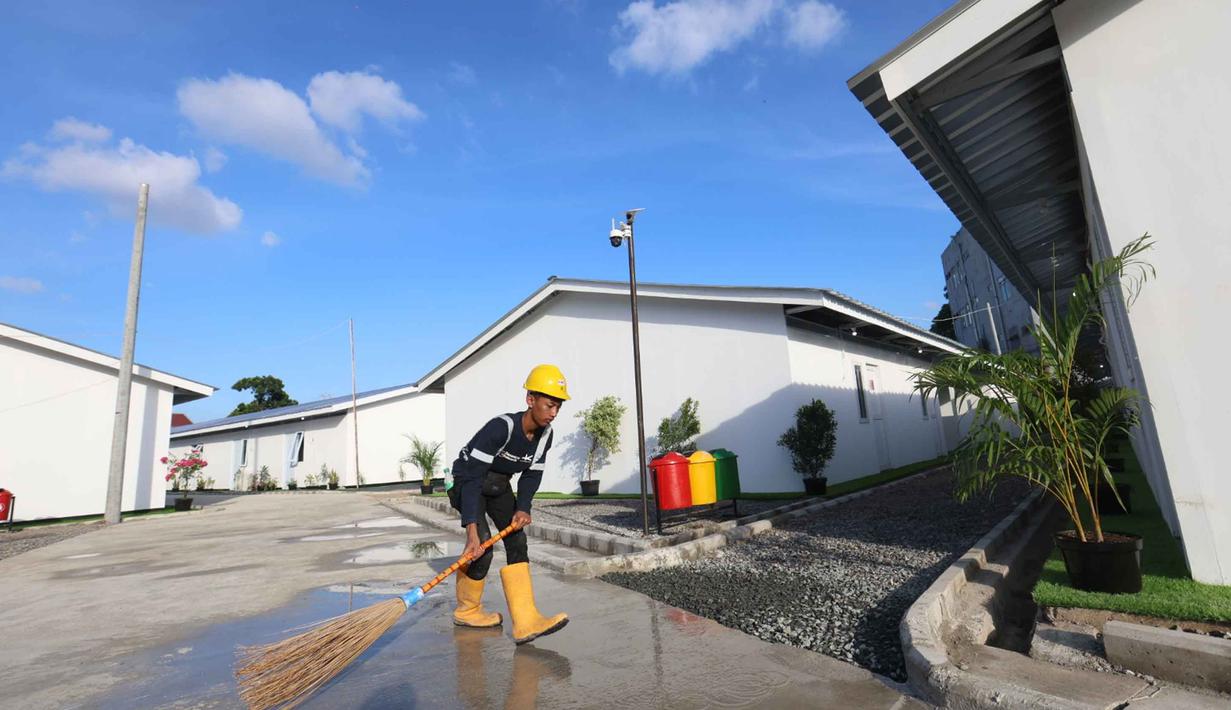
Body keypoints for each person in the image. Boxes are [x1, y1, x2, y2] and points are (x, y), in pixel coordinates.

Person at [447, 364, 570, 644]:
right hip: (468, 482)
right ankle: (467, 610)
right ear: (531, 400)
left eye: (558, 407)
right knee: (482, 547)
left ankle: (526, 621)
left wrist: (523, 507)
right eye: (549, 405)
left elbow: (531, 474)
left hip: (499, 484)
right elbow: (474, 477)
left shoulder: (545, 436)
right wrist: (471, 532)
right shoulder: (501, 427)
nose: (553, 413)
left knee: (517, 541)